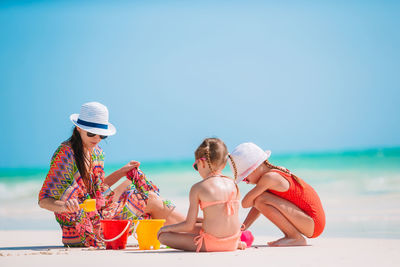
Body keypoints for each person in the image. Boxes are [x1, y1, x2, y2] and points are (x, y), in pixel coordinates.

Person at [38, 102, 184, 247]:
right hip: (80, 231)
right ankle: (192, 227)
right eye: (91, 133)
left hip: (97, 216)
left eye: (102, 135)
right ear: (78, 128)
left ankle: (190, 228)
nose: (96, 138)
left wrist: (122, 172)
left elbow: (98, 191)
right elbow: (44, 200)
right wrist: (65, 206)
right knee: (150, 200)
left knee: (135, 187)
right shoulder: (65, 154)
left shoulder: (97, 152)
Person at [157, 138, 246, 252]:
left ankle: (164, 231)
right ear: (224, 164)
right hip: (233, 241)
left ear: (202, 162)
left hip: (211, 244)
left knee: (163, 236)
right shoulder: (233, 184)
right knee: (194, 225)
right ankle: (236, 243)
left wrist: (165, 228)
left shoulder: (198, 188)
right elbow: (222, 218)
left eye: (196, 166)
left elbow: (188, 225)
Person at [229, 142, 325, 247]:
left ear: (254, 169)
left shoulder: (270, 178)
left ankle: (295, 237)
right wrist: (243, 228)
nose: (247, 182)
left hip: (313, 224)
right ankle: (293, 237)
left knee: (260, 198)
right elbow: (258, 206)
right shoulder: (273, 173)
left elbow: (245, 203)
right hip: (311, 223)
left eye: (245, 178)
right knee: (260, 199)